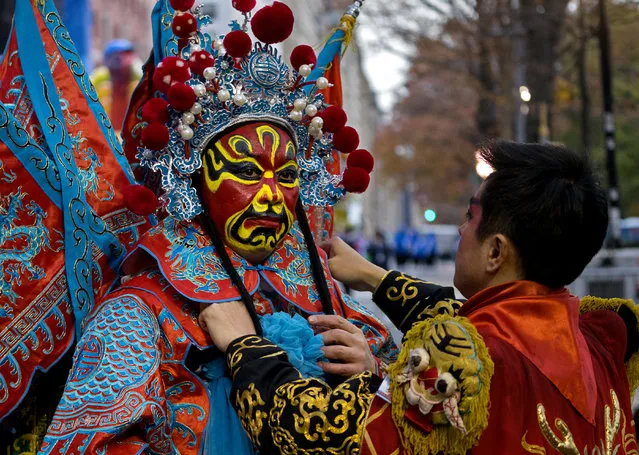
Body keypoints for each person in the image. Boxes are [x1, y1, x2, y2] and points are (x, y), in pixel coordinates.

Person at [0, 1, 397, 454]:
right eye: (247, 172)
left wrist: (374, 373)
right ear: (196, 184)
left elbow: (417, 414)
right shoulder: (139, 313)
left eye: (286, 177)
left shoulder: (326, 295)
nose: (272, 195)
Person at [199, 140, 639, 454]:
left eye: (470, 217)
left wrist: (245, 346)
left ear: (496, 251)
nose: (462, 230)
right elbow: (468, 317)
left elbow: (316, 436)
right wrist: (374, 278)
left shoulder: (459, 364)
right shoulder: (598, 337)